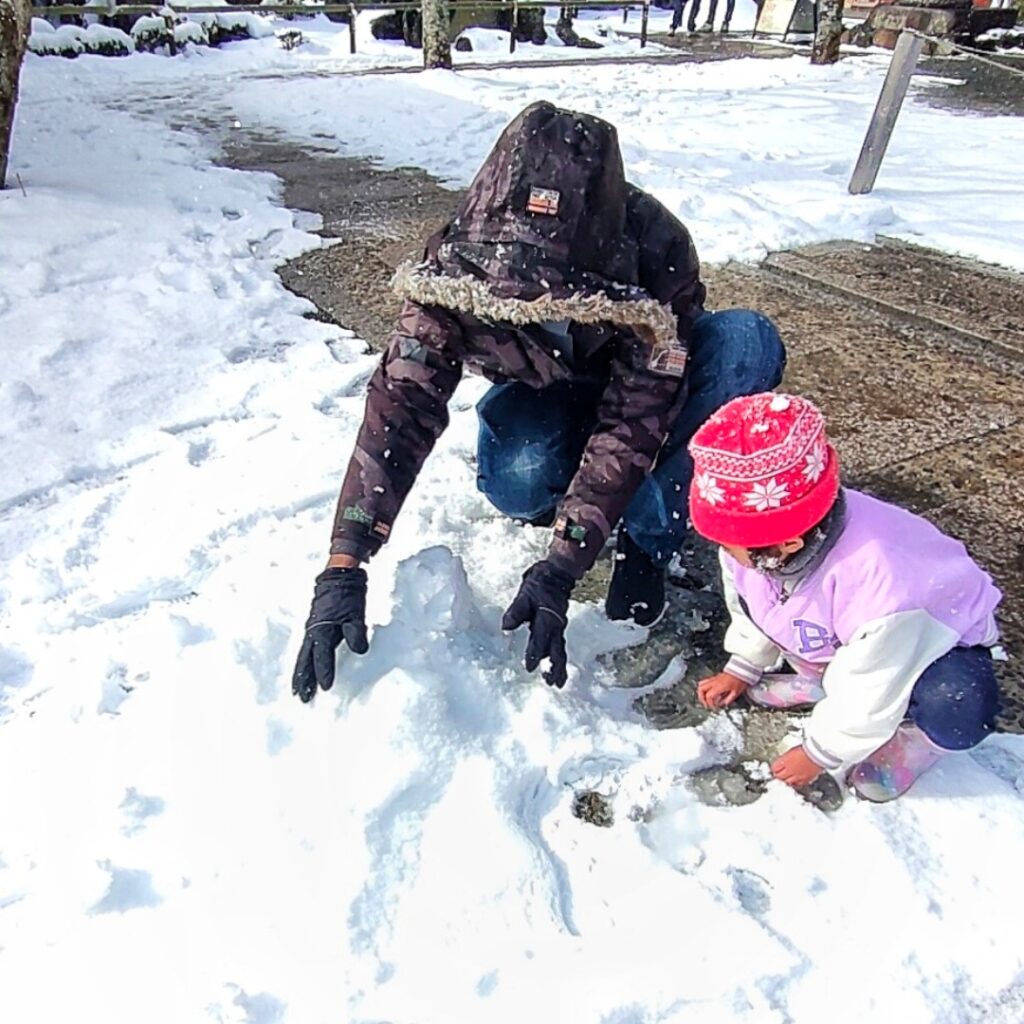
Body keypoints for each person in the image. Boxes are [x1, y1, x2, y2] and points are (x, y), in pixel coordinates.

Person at [291, 101, 784, 702]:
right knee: (520, 476)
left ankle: (648, 537)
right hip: (546, 387)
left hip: (647, 389)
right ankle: (563, 490)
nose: (534, 298)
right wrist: (346, 560)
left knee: (745, 344)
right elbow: (400, 407)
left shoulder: (656, 250)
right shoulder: (454, 264)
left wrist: (564, 565)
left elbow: (636, 418)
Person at [690, 392, 1002, 802]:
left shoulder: (885, 586)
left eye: (729, 545)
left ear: (786, 544)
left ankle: (916, 740)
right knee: (837, 651)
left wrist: (820, 752)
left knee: (958, 702)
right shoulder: (757, 549)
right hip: (850, 645)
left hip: (928, 649)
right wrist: (744, 664)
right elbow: (754, 604)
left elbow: (877, 676)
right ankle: (823, 682)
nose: (724, 553)